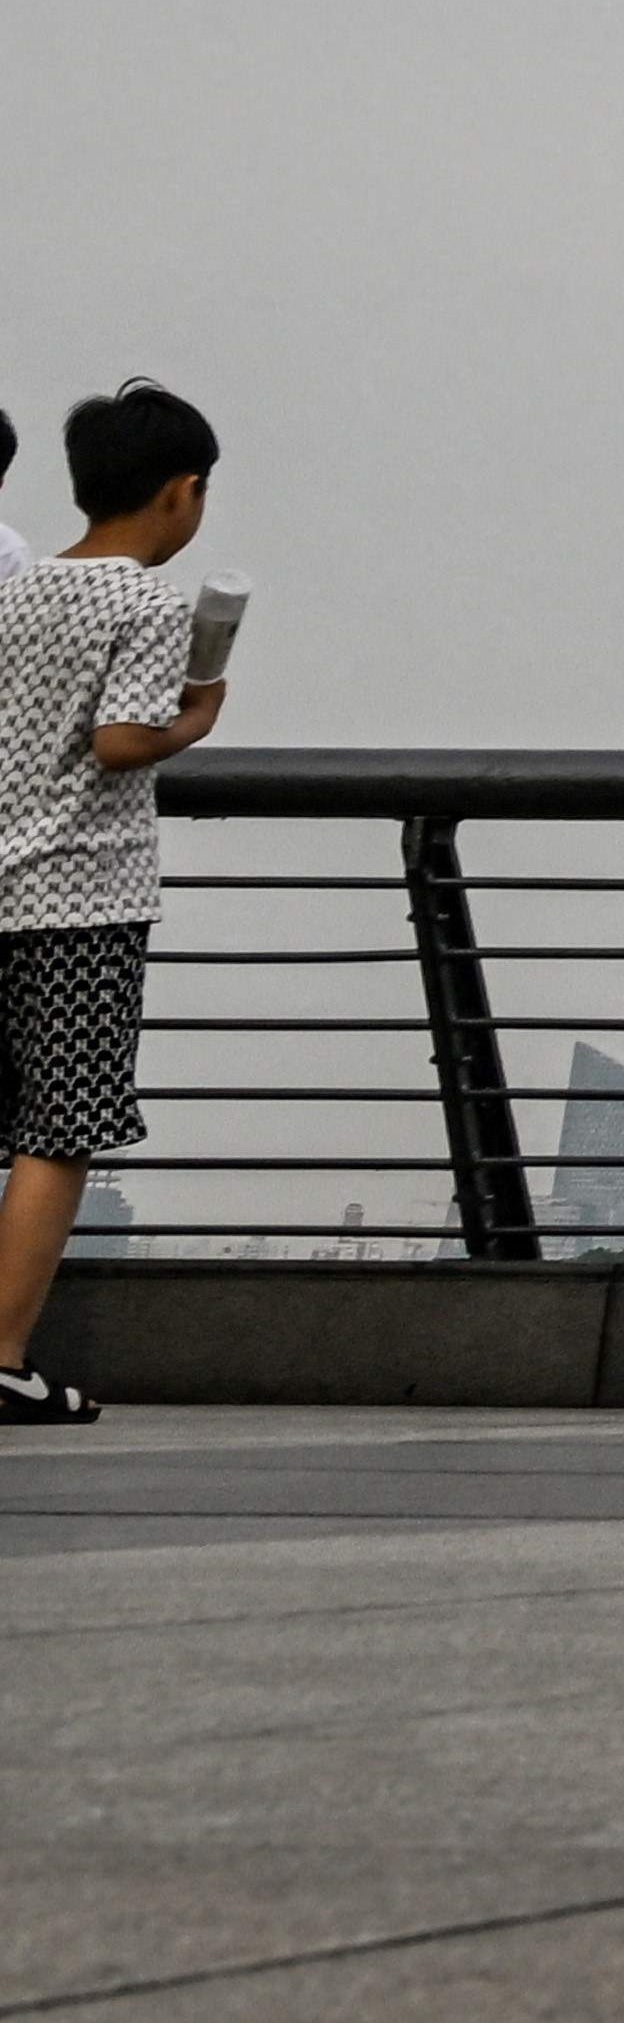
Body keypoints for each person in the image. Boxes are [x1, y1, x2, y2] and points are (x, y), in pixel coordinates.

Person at [3, 388, 234, 1431]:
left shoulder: (17, 589)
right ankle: (3, 1356)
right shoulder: (147, 603)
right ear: (180, 493)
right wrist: (198, 715)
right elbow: (119, 742)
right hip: (79, 900)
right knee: (60, 1132)